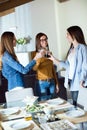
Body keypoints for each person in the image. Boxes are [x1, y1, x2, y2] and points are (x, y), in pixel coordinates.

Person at [49, 26, 87, 107]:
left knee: (80, 106)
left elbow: (85, 65)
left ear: (74, 35)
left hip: (80, 82)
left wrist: (82, 79)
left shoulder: (83, 48)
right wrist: (53, 59)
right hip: (71, 81)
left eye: (68, 34)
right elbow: (67, 65)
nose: (66, 36)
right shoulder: (71, 49)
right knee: (74, 104)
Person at [32, 32, 59, 101]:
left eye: (46, 39)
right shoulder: (35, 54)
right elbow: (34, 68)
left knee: (54, 101)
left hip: (52, 81)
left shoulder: (49, 53)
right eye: (42, 40)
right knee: (44, 102)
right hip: (41, 83)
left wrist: (56, 83)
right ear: (38, 42)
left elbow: (52, 69)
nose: (45, 41)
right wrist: (40, 57)